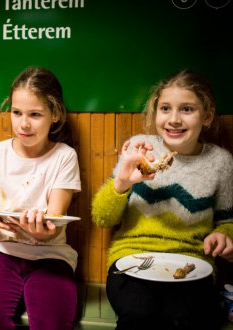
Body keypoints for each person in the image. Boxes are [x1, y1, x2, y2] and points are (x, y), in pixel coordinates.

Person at [91, 70, 233, 330]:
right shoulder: (138, 148)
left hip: (193, 265)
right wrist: (122, 182)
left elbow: (227, 221)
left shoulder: (220, 162)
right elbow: (102, 218)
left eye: (187, 109)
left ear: (207, 115)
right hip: (132, 262)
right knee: (138, 316)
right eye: (165, 108)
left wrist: (224, 236)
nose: (174, 119)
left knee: (183, 319)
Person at [0, 67, 81, 330]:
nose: (24, 123)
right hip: (2, 253)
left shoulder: (64, 156)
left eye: (35, 115)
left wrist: (40, 232)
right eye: (17, 113)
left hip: (51, 255)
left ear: (55, 115)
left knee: (52, 323)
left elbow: (55, 223)